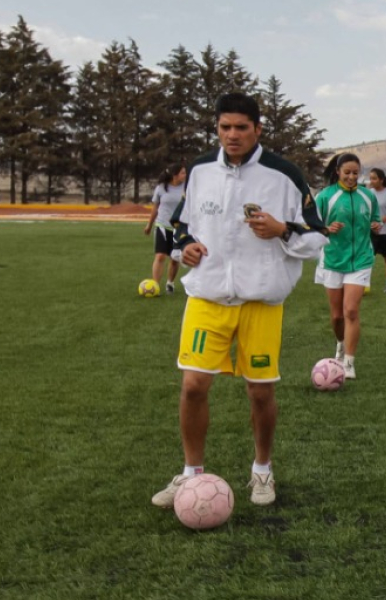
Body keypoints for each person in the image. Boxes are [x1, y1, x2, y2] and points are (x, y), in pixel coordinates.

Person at [151, 92, 327, 509]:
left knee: (260, 393)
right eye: (224, 127)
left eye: (241, 128)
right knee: (193, 385)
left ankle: (262, 470)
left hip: (260, 301)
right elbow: (181, 228)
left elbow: (318, 236)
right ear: (216, 128)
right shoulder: (198, 170)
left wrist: (282, 229)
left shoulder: (283, 174)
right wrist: (185, 249)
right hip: (208, 296)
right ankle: (192, 474)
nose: (232, 135)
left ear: (258, 129)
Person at [314, 153, 381, 379]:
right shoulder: (326, 197)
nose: (352, 177)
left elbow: (377, 218)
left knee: (351, 311)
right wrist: (326, 229)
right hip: (332, 260)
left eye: (355, 173)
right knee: (336, 316)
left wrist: (376, 224)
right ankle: (341, 343)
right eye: (347, 173)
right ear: (338, 172)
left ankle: (349, 363)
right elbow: (312, 225)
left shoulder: (368, 196)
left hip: (361, 259)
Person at [142, 165, 186, 294]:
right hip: (162, 225)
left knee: (174, 258)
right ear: (175, 175)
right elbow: (155, 208)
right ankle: (154, 285)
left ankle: (170, 283)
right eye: (183, 173)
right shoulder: (161, 188)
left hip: (179, 228)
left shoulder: (187, 188)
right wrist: (149, 225)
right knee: (160, 256)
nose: (185, 175)